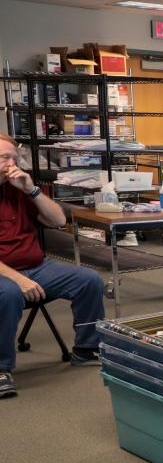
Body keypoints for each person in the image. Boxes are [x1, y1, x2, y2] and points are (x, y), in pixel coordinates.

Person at [0, 133, 106, 398]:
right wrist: (19, 280)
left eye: (14, 157)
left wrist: (31, 190)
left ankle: (86, 348)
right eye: (4, 157)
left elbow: (58, 220)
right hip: (5, 275)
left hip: (36, 266)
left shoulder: (20, 187)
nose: (12, 163)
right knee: (8, 292)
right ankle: (1, 369)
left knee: (88, 279)